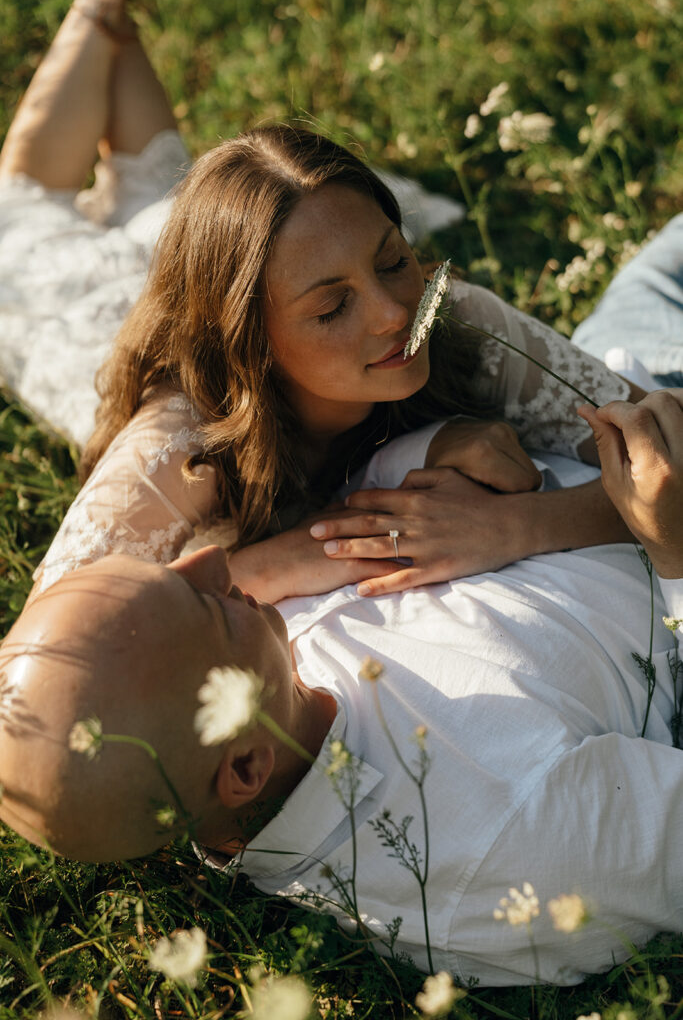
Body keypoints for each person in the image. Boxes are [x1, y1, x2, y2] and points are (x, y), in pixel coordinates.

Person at [0, 388, 682, 987]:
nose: (213, 560)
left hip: (597, 422)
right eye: (206, 602)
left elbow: (369, 495)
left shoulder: (244, 685)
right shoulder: (504, 848)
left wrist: (444, 446)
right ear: (243, 766)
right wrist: (673, 549)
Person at [0, 0, 645, 609]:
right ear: (250, 343)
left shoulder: (452, 318)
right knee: (20, 214)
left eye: (393, 260)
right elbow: (54, 642)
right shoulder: (181, 442)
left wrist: (517, 526)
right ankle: (95, 10)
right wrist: (272, 564)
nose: (395, 313)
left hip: (227, 264)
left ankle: (112, 26)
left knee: (153, 182)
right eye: (333, 309)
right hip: (77, 309)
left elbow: (662, 452)